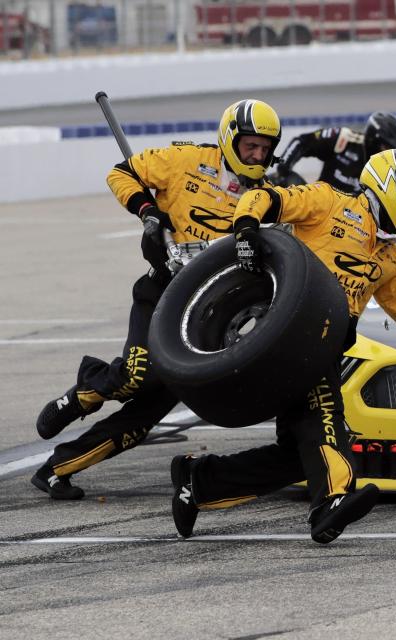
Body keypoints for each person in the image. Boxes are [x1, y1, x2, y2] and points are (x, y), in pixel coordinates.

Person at [170, 148, 396, 544]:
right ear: (387, 184)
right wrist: (245, 230)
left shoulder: (391, 258)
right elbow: (263, 197)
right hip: (289, 337)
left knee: (298, 454)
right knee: (325, 418)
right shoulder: (328, 202)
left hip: (326, 348)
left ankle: (200, 480)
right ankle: (330, 501)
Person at [31, 99, 282, 500]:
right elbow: (121, 174)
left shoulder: (269, 194)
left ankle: (57, 468)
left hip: (206, 321)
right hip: (160, 293)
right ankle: (84, 393)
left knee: (145, 414)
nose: (258, 155)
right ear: (230, 139)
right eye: (251, 146)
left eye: (265, 148)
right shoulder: (185, 159)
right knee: (135, 376)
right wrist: (148, 213)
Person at [275, 111, 396, 193]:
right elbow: (301, 142)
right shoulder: (344, 139)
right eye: (388, 147)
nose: (392, 154)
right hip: (318, 206)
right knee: (281, 178)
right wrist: (283, 169)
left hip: (354, 225)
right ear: (373, 139)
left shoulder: (393, 169)